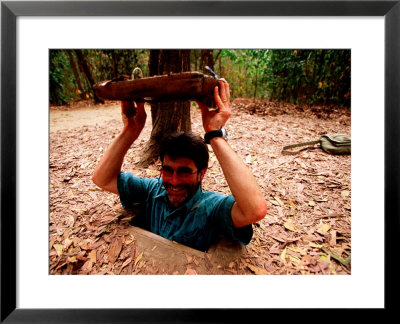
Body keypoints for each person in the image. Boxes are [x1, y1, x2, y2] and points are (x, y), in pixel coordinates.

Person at [92, 80, 267, 251]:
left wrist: (214, 134)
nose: (174, 181)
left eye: (184, 172)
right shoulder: (152, 190)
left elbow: (254, 210)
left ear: (201, 173)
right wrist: (130, 130)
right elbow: (102, 179)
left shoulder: (212, 207)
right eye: (168, 170)